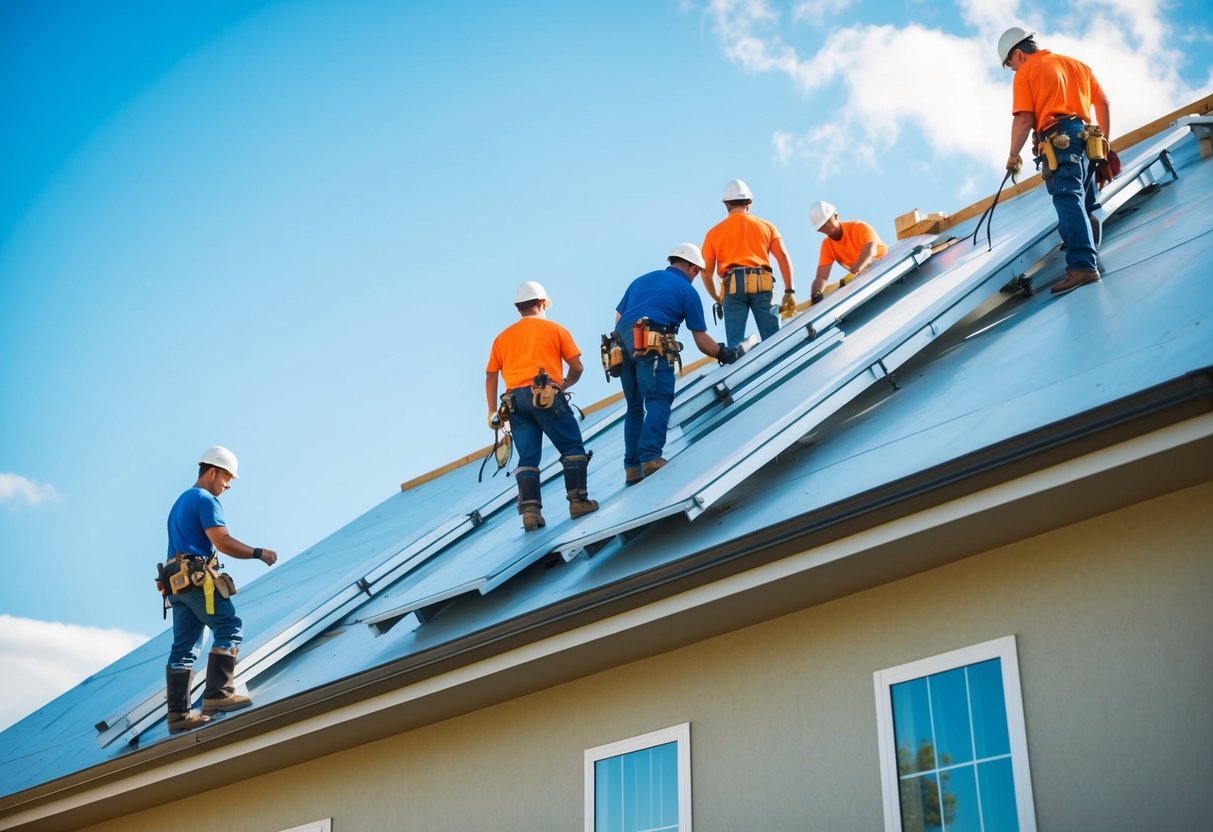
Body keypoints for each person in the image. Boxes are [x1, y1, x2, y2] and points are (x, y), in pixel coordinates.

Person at [163, 445, 278, 733]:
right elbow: (222, 540)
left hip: (177, 583)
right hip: (197, 579)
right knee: (229, 627)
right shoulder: (205, 499)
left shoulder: (180, 502)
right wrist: (257, 552)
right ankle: (217, 696)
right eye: (226, 477)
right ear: (211, 471)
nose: (228, 485)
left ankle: (178, 715)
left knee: (184, 647)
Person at [614, 244, 742, 484]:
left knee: (633, 407)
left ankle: (632, 467)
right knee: (658, 398)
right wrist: (724, 354)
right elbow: (702, 340)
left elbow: (619, 318)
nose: (695, 277)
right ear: (692, 268)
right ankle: (651, 457)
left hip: (620, 345)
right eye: (696, 272)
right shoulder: (686, 291)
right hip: (651, 342)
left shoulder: (641, 280)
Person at [999, 26, 1111, 295]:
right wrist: (1105, 142)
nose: (1013, 70)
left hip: (1060, 138)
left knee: (1067, 198)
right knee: (1086, 202)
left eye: (1011, 64)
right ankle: (1092, 259)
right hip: (1088, 138)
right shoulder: (1077, 65)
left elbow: (1024, 119)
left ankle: (1083, 266)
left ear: (1018, 54)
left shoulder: (1027, 71)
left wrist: (1013, 155)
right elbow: (1103, 103)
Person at [486, 281, 598, 532]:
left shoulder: (502, 338)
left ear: (519, 308)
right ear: (541, 304)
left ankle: (530, 512)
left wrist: (493, 412)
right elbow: (577, 366)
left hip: (514, 402)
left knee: (527, 457)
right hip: (545, 394)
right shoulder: (555, 329)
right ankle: (578, 501)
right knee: (571, 446)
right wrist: (564, 384)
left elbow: (491, 375)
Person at [700, 179, 795, 348]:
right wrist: (789, 291)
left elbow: (706, 272)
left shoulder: (713, 233)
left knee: (735, 346)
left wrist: (717, 298)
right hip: (763, 284)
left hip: (733, 286)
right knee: (774, 340)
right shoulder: (767, 226)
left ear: (726, 204)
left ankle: (739, 356)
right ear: (749, 202)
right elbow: (783, 257)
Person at [807, 200, 889, 304]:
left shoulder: (858, 227)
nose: (825, 228)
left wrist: (852, 274)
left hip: (886, 264)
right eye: (821, 227)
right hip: (864, 277)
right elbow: (821, 277)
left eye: (827, 223)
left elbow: (870, 250)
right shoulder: (827, 245)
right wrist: (816, 294)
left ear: (836, 216)